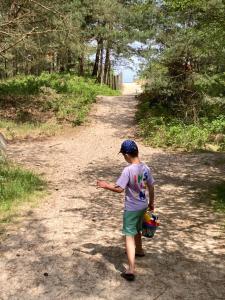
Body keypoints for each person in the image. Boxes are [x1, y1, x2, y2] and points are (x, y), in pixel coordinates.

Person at [97, 140, 155, 281]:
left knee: (129, 235)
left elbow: (119, 189)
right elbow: (151, 187)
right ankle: (139, 250)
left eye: (123, 154)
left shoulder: (128, 170)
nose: (124, 157)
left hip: (131, 208)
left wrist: (105, 185)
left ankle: (131, 269)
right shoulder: (145, 168)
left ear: (127, 155)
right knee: (137, 229)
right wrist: (151, 203)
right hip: (143, 205)